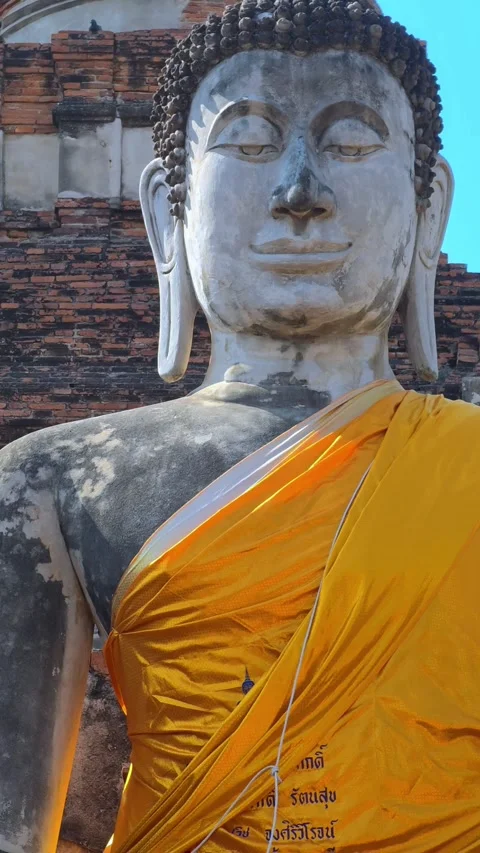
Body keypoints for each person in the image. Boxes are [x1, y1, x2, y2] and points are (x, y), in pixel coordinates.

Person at [1, 1, 479, 852]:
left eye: (354, 143)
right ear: (165, 214)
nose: (301, 193)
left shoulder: (461, 465)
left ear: (428, 205)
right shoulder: (51, 484)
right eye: (250, 145)